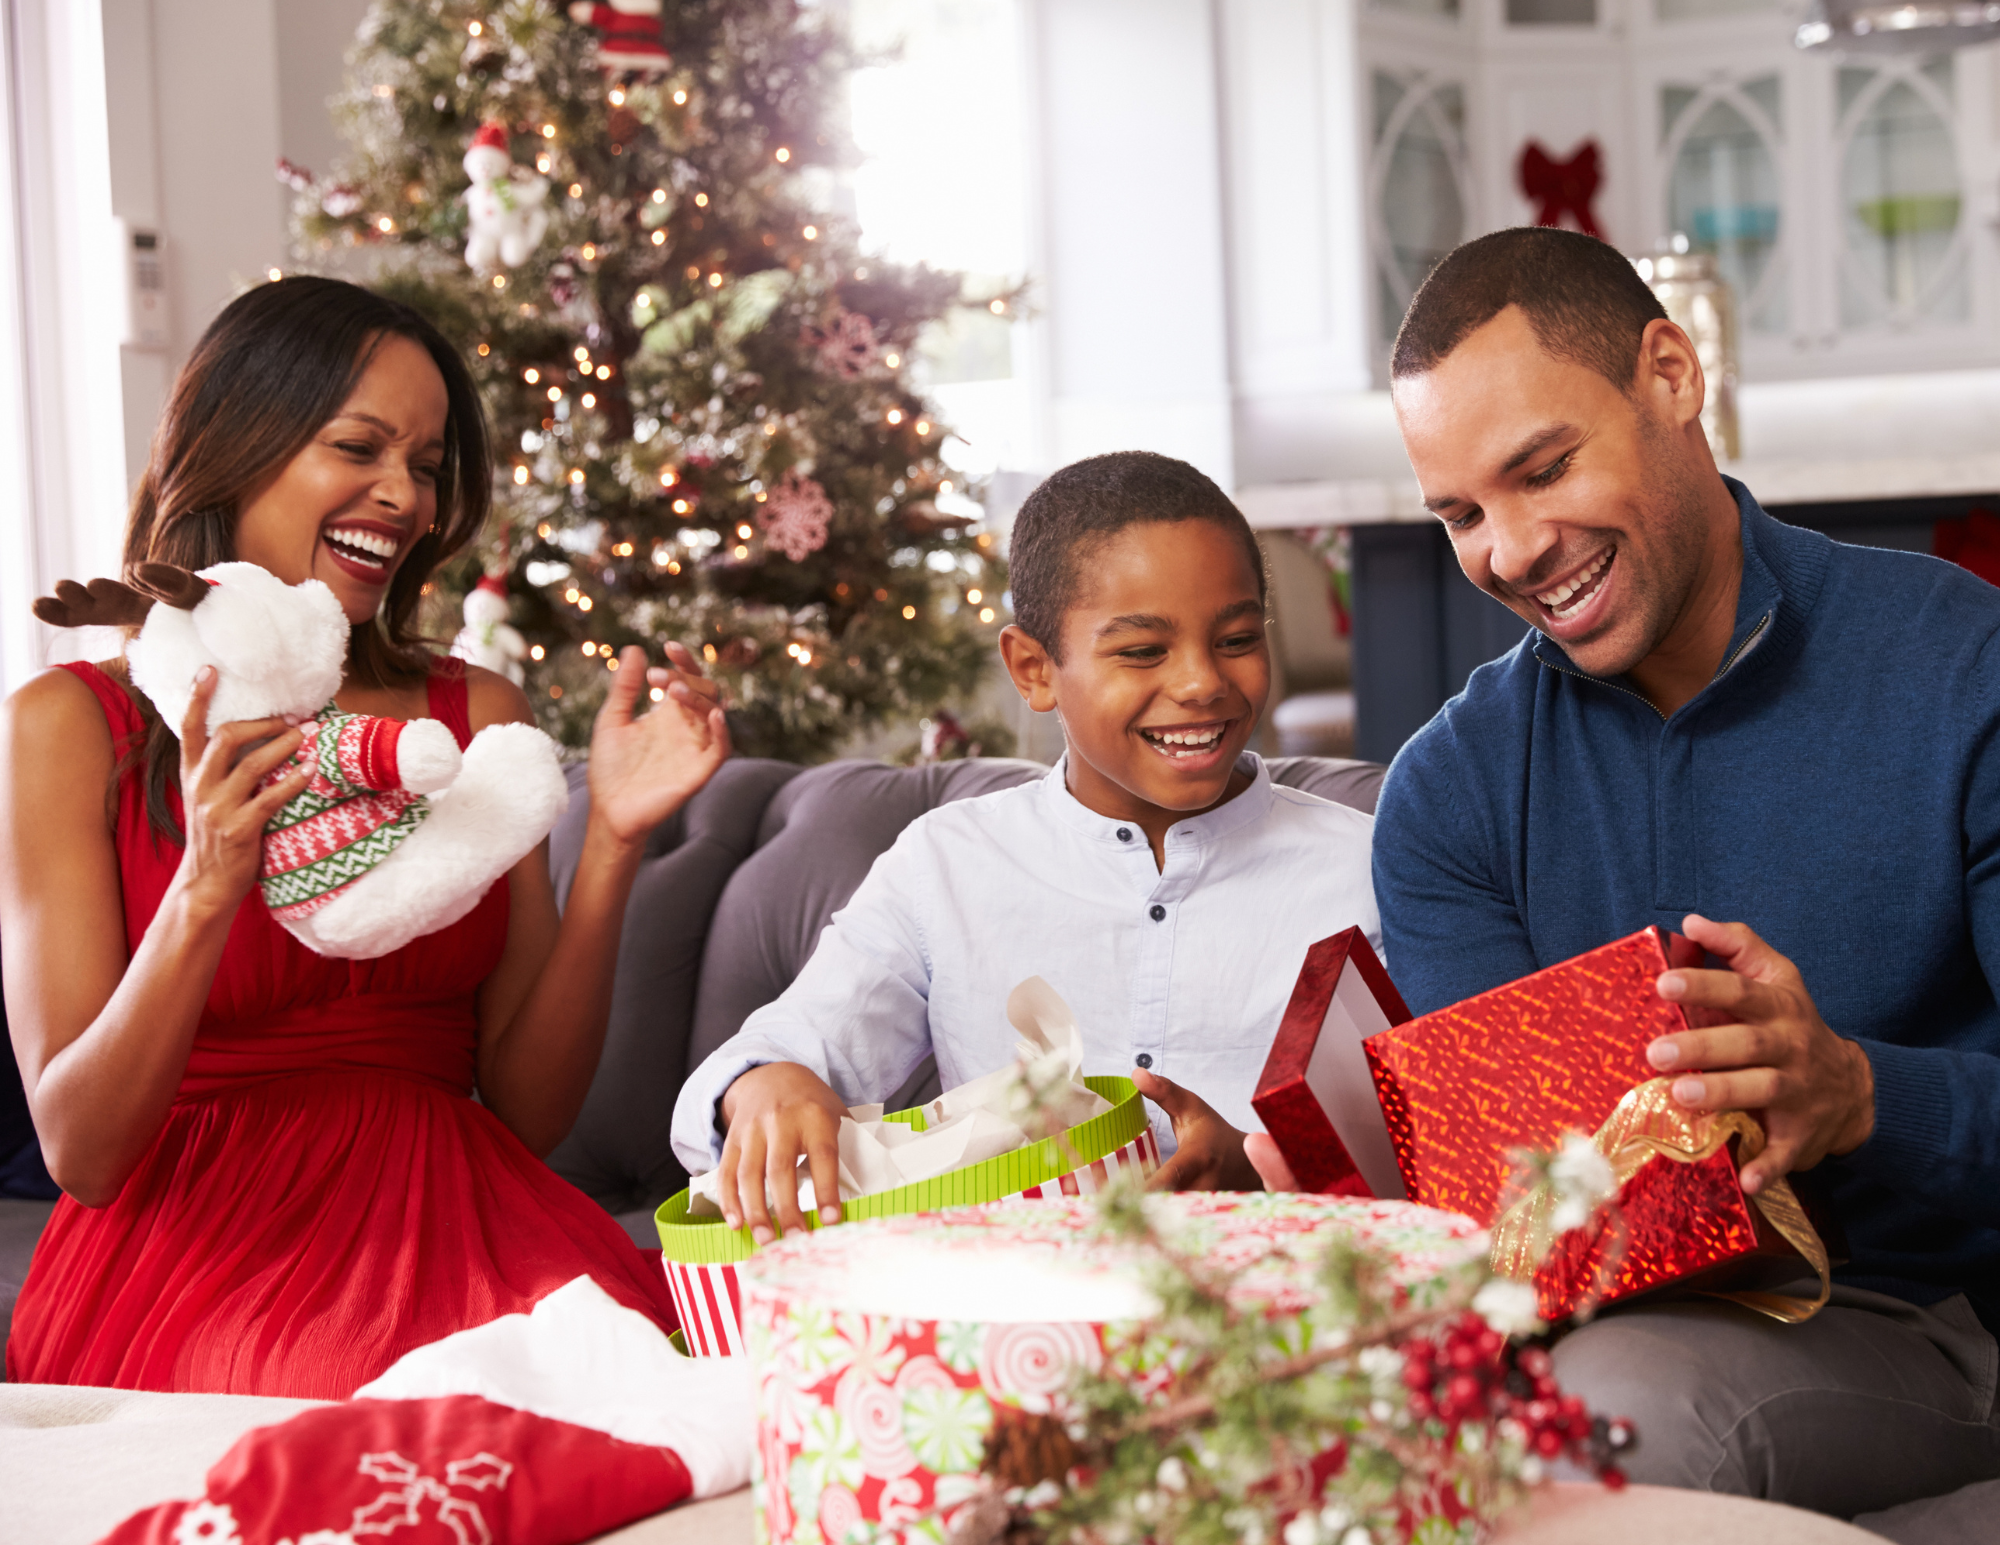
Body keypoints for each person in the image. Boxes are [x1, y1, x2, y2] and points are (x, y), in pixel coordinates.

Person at [1247, 226, 2000, 1535]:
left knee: (1589, 1417)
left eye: (1543, 470)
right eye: (1463, 512)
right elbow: (1542, 1215)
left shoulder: (1959, 668)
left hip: (1937, 1315)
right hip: (1614, 1322)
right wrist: (1362, 1197)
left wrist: (1861, 1093)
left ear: (1670, 373)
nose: (1513, 549)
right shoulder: (1448, 798)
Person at [0, 276, 729, 1398]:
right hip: (198, 1252)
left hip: (465, 1211)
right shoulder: (68, 729)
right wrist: (204, 892)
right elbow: (82, 1152)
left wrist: (614, 848)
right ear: (234, 448)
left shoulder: (475, 717)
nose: (406, 497)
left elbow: (529, 1115)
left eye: (428, 467)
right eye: (360, 447)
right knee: (403, 1414)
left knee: (653, 1383)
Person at [670, 451, 1379, 1242]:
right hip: (1004, 1318)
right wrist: (768, 1083)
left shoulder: (1363, 869)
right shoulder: (946, 864)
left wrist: (1263, 1168)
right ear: (1034, 669)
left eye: (1238, 637)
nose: (1202, 682)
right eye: (1143, 650)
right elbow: (774, 1053)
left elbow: (1438, 1155)